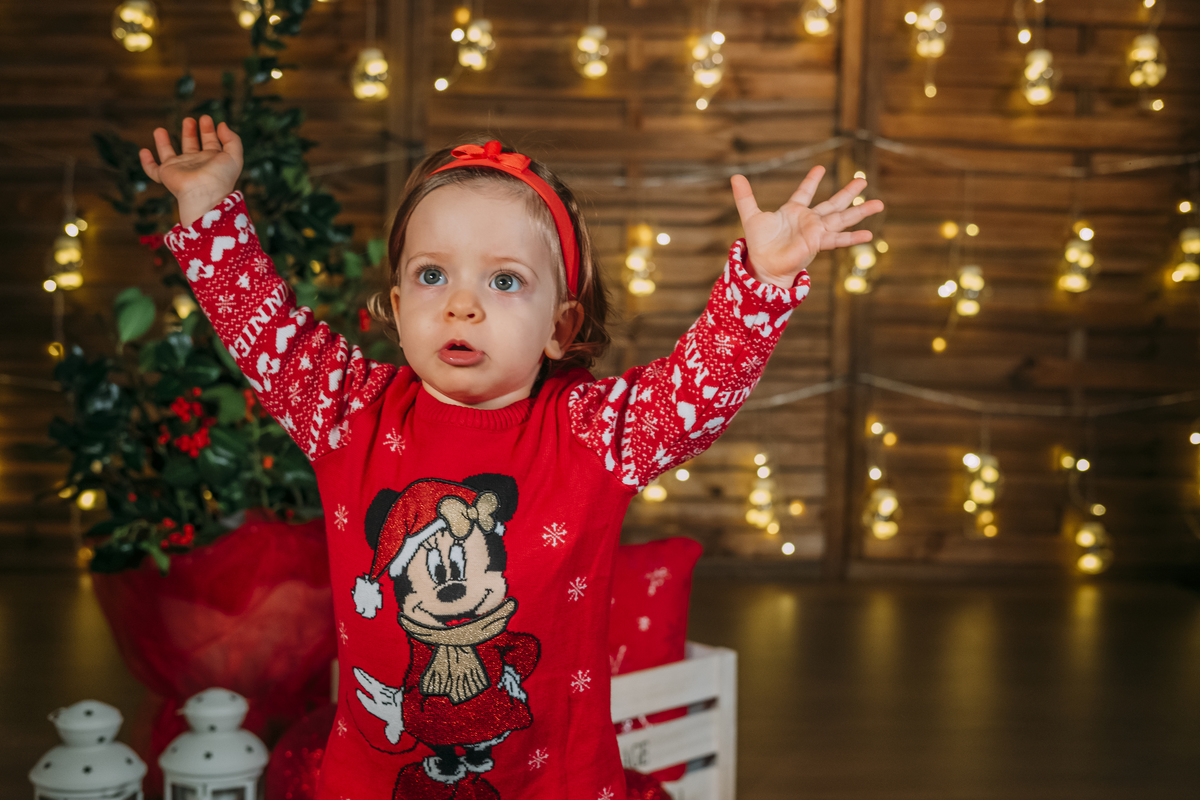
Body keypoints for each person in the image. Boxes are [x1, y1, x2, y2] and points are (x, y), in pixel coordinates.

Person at [142, 115, 883, 800]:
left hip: (554, 781)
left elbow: (699, 387)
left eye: (504, 281)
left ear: (561, 326)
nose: (462, 305)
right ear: (398, 310)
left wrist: (763, 282)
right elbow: (265, 330)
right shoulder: (346, 411)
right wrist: (209, 213)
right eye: (433, 275)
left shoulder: (593, 434)